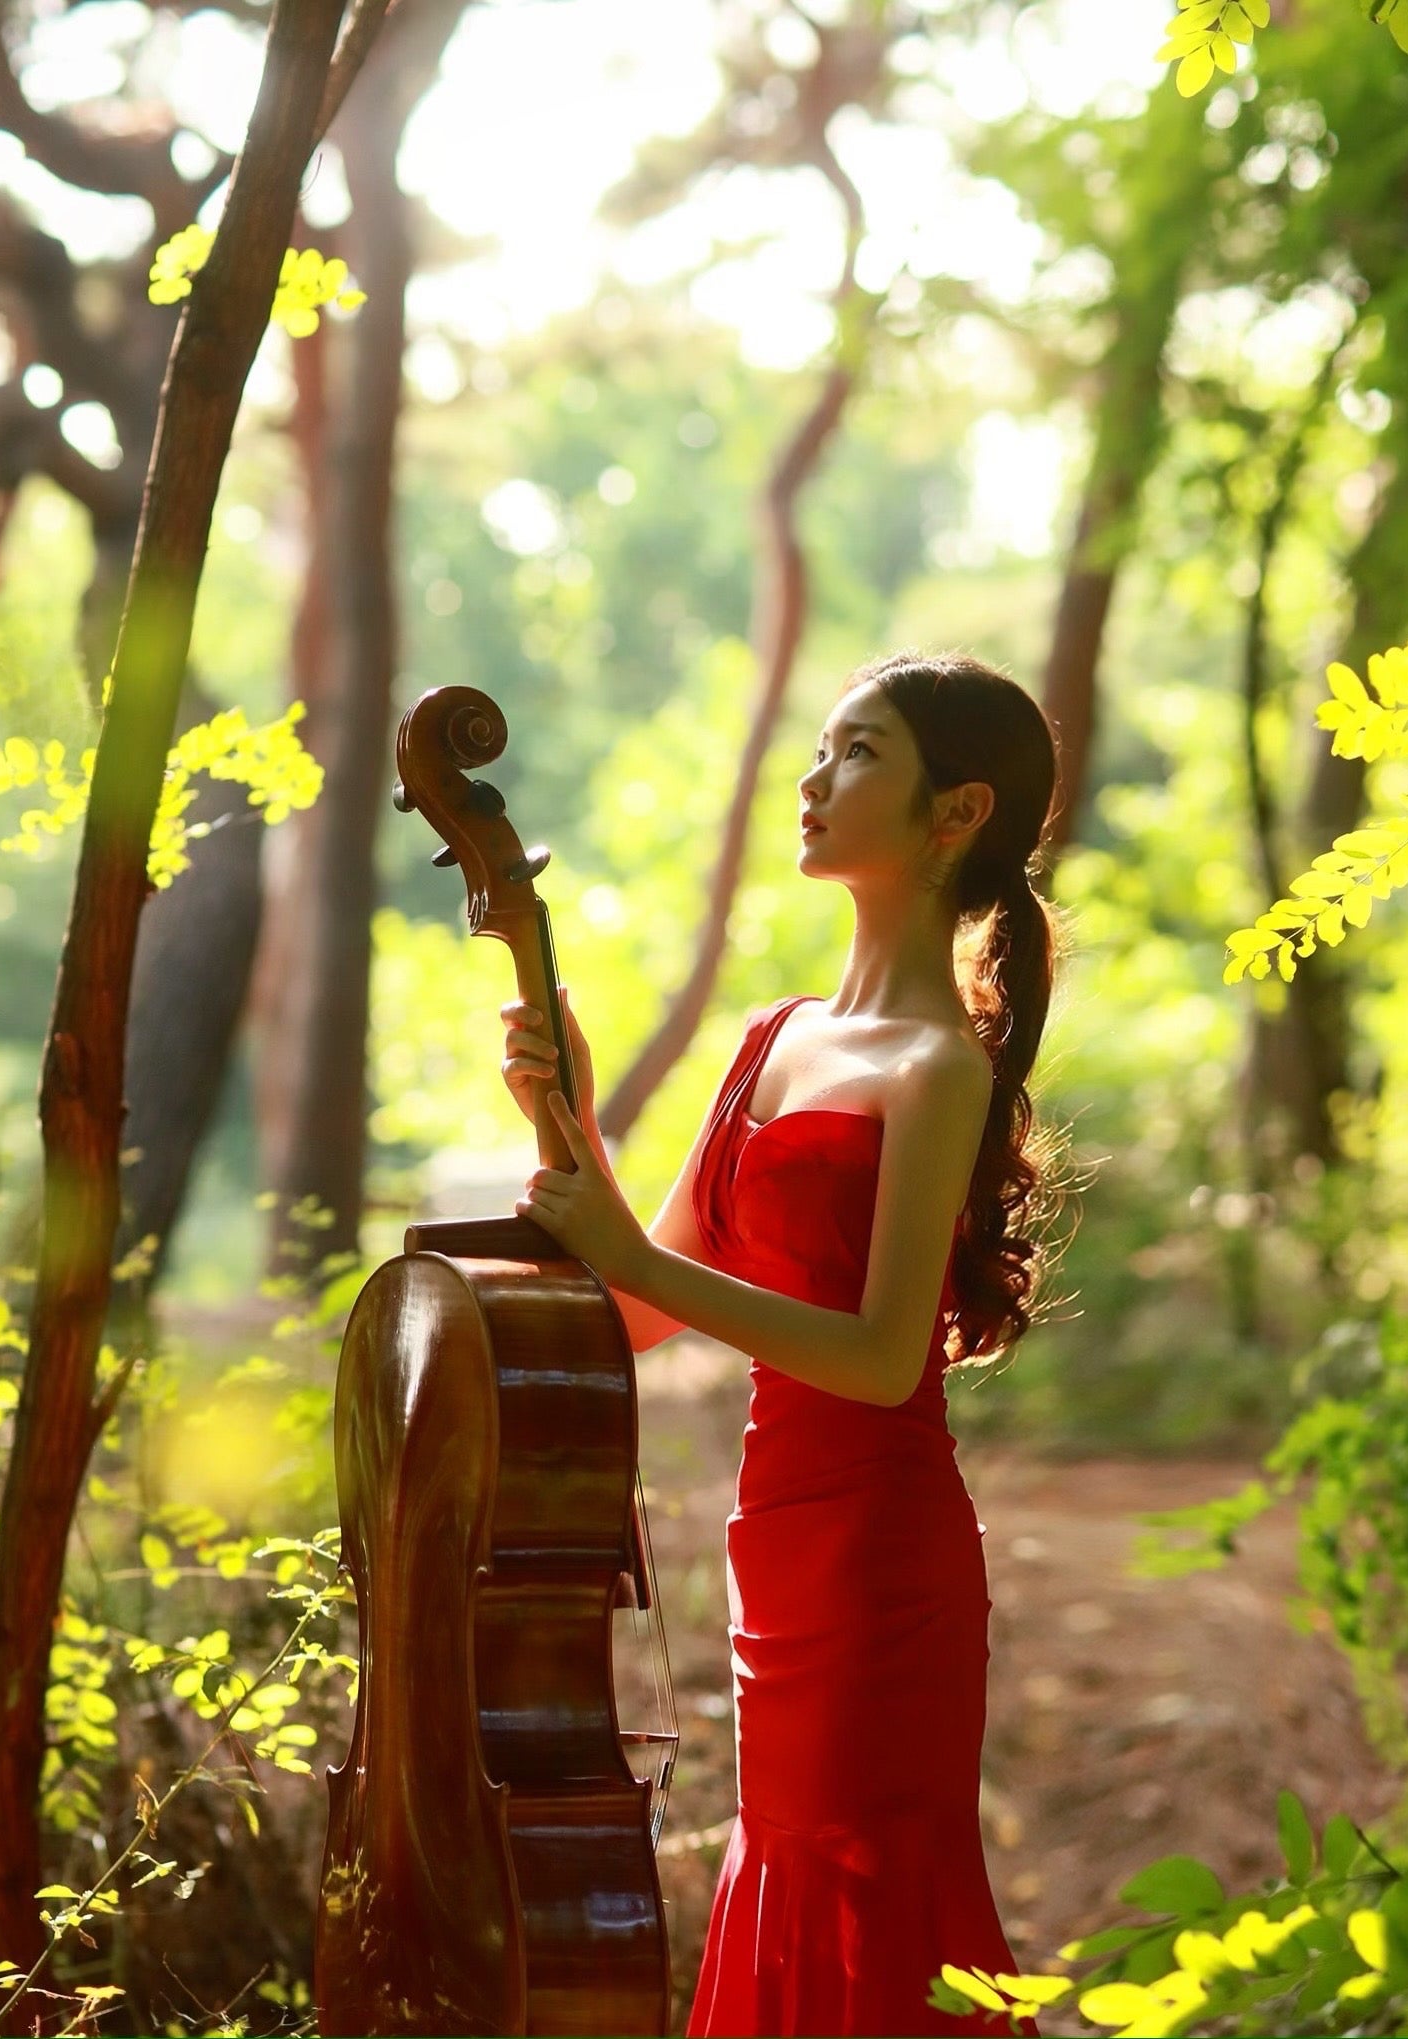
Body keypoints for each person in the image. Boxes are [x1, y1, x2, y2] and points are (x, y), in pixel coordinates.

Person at [499, 649, 1064, 2039]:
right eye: (819, 749)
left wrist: (628, 1250)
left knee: (869, 1891)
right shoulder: (773, 1040)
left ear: (957, 812)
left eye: (859, 753)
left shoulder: (940, 1065)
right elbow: (638, 1305)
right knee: (793, 1870)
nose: (813, 780)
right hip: (779, 1542)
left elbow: (881, 1360)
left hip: (883, 1559)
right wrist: (557, 1108)